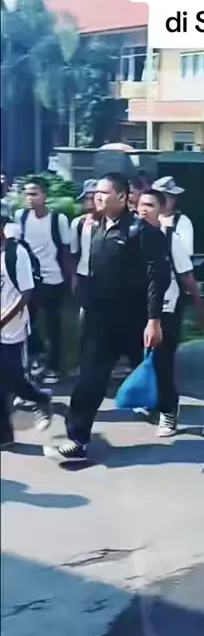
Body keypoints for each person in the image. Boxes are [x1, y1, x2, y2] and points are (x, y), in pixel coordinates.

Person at [46, 173, 171, 462]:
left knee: (157, 372)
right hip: (100, 321)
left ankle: (168, 411)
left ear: (123, 197)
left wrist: (153, 320)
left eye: (104, 193)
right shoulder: (97, 227)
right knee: (89, 380)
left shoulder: (143, 232)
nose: (97, 197)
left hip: (134, 320)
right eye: (96, 193)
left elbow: (158, 278)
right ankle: (78, 439)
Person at [136, 189, 204, 436]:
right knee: (144, 359)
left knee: (163, 361)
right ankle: (150, 401)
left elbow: (186, 275)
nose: (144, 210)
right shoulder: (130, 236)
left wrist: (198, 304)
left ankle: (169, 412)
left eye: (151, 205)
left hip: (166, 308)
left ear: (162, 210)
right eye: (141, 205)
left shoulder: (169, 237)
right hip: (137, 308)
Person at [1, 214, 52, 448]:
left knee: (11, 378)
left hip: (12, 328)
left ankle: (40, 398)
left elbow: (26, 293)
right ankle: (4, 436)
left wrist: (2, 320)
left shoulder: (15, 253)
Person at [15, 177, 71, 384]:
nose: (30, 198)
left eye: (34, 194)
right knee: (28, 322)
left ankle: (54, 366)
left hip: (53, 278)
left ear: (44, 196)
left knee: (53, 324)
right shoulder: (21, 217)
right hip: (29, 278)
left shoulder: (58, 219)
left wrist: (70, 278)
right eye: (27, 194)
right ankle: (34, 360)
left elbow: (66, 250)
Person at [70, 180, 97, 313]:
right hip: (84, 274)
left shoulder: (112, 223)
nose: (90, 202)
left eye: (93, 198)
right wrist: (74, 278)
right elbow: (74, 253)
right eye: (87, 198)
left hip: (106, 277)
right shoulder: (78, 223)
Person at [151, 175, 194, 257]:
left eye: (173, 196)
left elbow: (186, 253)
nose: (173, 198)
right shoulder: (147, 216)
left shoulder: (182, 221)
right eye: (167, 196)